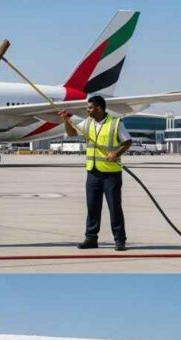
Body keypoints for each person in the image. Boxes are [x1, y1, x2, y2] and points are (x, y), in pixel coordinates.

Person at [60, 95, 132, 251]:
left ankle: (120, 240)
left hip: (111, 174)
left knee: (114, 208)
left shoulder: (115, 123)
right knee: (92, 207)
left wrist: (116, 154)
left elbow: (127, 142)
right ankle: (91, 238)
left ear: (99, 108)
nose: (87, 110)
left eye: (90, 107)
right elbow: (72, 134)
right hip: (92, 172)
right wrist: (66, 121)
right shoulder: (88, 123)